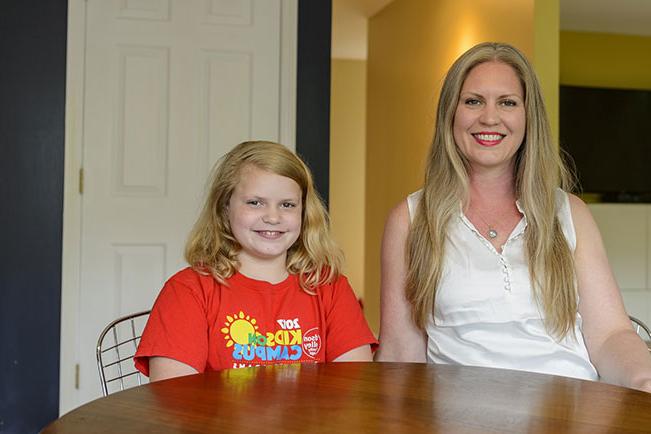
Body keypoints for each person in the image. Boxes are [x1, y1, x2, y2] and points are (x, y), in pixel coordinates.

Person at [375, 42, 651, 391]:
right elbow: (401, 353)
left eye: (507, 102)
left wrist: (644, 379)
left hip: (573, 414)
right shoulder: (411, 220)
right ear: (450, 114)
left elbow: (611, 335)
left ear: (527, 116)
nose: (490, 118)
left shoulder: (570, 213)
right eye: (473, 101)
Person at [135, 140, 376, 381]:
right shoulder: (188, 291)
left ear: (304, 212)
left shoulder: (330, 288)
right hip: (214, 420)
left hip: (313, 420)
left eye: (287, 205)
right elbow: (174, 401)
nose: (273, 217)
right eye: (255, 202)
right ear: (224, 207)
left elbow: (354, 389)